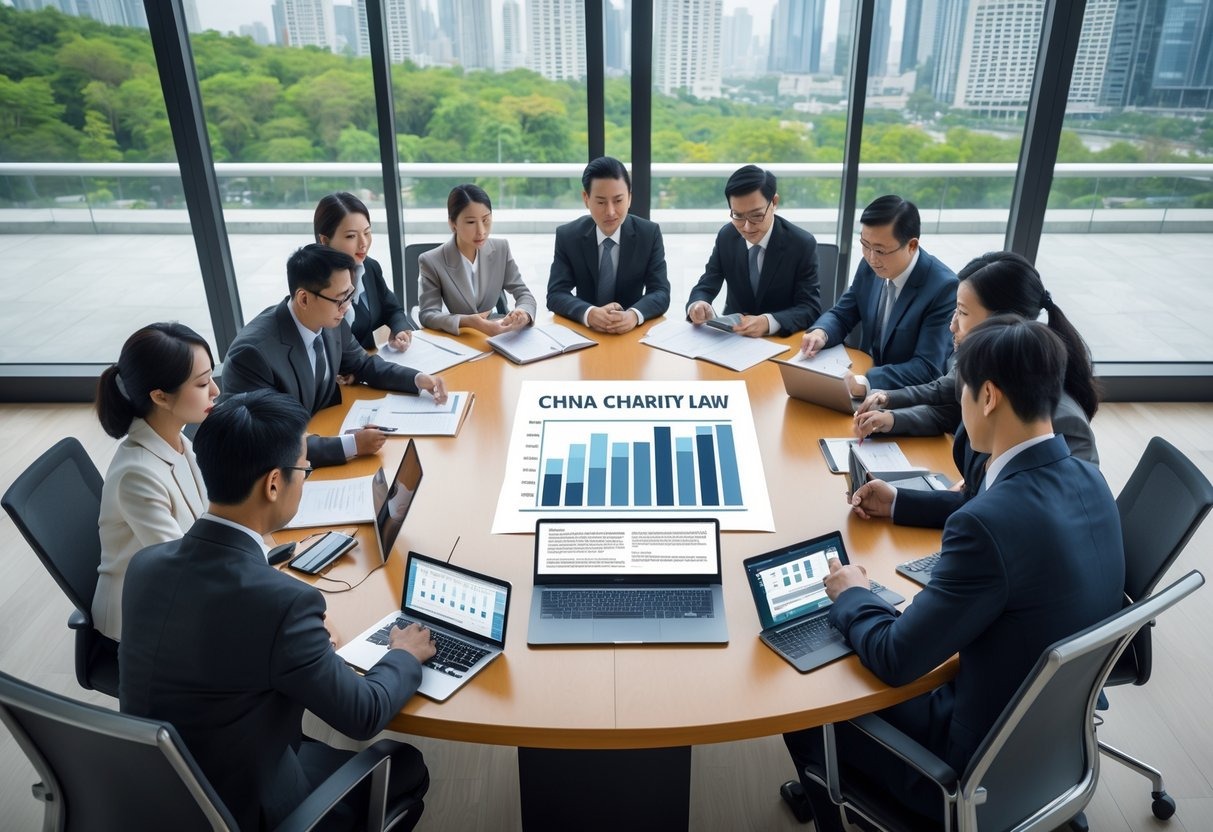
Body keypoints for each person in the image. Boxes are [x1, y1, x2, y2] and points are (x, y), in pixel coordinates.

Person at [781, 316, 1125, 830]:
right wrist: (901, 503)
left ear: (987, 397)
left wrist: (851, 594)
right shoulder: (1090, 478)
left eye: (962, 390)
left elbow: (897, 659)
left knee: (806, 708)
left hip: (970, 769)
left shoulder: (986, 526)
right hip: (1053, 743)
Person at [119, 389, 435, 830]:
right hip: (246, 807)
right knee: (407, 766)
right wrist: (403, 651)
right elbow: (364, 713)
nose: (304, 478)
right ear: (273, 483)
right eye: (304, 470)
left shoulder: (145, 565)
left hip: (157, 793)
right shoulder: (282, 605)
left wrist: (293, 639)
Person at [849, 252, 1102, 529]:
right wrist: (899, 500)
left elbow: (1031, 523)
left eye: (963, 312)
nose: (952, 324)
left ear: (1004, 322)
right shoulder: (987, 374)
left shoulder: (1058, 420)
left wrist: (979, 492)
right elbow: (985, 500)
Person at [221, 244, 447, 468]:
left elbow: (363, 365)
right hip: (281, 471)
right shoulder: (251, 355)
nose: (347, 308)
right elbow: (271, 440)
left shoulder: (330, 319)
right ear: (304, 299)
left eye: (350, 294)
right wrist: (351, 446)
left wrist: (418, 379)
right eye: (341, 299)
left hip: (323, 427)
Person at [93, 322, 217, 642]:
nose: (215, 391)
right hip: (144, 621)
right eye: (203, 383)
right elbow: (182, 571)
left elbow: (208, 522)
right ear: (160, 396)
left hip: (189, 591)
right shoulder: (137, 475)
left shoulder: (179, 442)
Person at [800, 195, 956, 392]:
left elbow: (927, 368)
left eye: (880, 251)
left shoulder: (943, 288)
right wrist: (821, 332)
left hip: (900, 398)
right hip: (858, 379)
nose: (871, 258)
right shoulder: (870, 266)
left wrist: (865, 380)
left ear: (912, 245)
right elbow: (843, 313)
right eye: (865, 245)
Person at [686, 165, 821, 337]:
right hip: (734, 337)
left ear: (774, 202)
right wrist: (698, 304)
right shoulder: (727, 236)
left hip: (781, 339)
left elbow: (810, 308)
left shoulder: (802, 243)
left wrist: (768, 322)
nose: (747, 227)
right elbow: (707, 284)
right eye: (738, 216)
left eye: (757, 215)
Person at [546, 156, 671, 333]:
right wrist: (589, 313)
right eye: (601, 202)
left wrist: (634, 315)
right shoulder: (568, 236)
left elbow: (660, 292)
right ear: (586, 199)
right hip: (586, 334)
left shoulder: (649, 234)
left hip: (631, 333)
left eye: (618, 200)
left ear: (629, 198)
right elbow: (556, 294)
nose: (610, 212)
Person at [418, 184, 538, 335]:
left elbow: (524, 294)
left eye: (486, 220)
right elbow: (427, 315)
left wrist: (523, 312)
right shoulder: (431, 261)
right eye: (470, 222)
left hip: (496, 335)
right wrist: (467, 321)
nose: (481, 231)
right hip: (461, 338)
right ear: (452, 224)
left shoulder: (501, 249)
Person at [314, 191, 413, 352]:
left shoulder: (370, 267)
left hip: (374, 361)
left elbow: (393, 309)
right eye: (351, 236)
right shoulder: (316, 285)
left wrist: (399, 330)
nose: (364, 244)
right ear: (325, 240)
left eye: (367, 232)